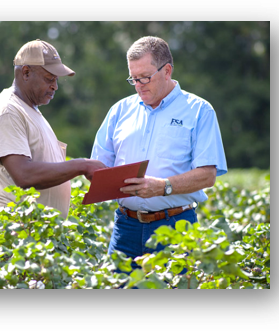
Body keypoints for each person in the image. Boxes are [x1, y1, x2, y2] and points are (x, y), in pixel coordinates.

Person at [91, 36, 228, 270]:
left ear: (167, 71)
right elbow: (98, 165)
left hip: (175, 228)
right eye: (133, 79)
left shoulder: (199, 111)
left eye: (145, 77)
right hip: (125, 227)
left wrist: (163, 186)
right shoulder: (119, 110)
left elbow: (208, 175)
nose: (139, 85)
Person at [0, 39, 106, 219]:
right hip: (14, 235)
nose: (55, 86)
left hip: (34, 235)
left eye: (56, 80)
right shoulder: (7, 111)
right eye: (49, 79)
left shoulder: (30, 109)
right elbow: (24, 175)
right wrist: (82, 165)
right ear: (26, 72)